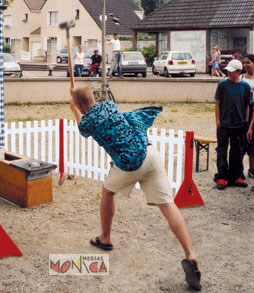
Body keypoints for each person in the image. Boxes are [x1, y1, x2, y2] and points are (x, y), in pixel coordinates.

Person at [70, 86, 202, 291]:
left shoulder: (88, 121)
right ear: (93, 98)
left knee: (108, 192)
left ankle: (105, 237)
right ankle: (191, 254)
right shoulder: (109, 104)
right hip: (149, 154)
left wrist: (74, 110)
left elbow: (82, 128)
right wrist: (77, 102)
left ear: (79, 104)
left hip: (129, 164)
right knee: (168, 204)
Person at [214, 59, 251, 190]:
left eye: (232, 71)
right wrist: (218, 122)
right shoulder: (223, 85)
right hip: (224, 124)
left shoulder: (245, 87)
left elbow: (247, 105)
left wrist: (245, 122)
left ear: (239, 72)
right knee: (222, 151)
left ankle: (237, 176)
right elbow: (217, 103)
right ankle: (222, 177)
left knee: (237, 151)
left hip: (239, 125)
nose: (229, 73)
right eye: (228, 71)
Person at [242, 54, 254, 178]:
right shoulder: (242, 78)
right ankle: (238, 170)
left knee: (252, 143)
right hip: (244, 111)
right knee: (241, 140)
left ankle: (252, 169)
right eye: (244, 63)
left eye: (248, 63)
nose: (245, 65)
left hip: (253, 111)